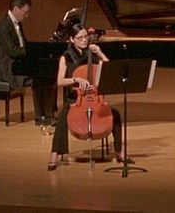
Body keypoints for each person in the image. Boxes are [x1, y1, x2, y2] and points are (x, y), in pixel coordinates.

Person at [47, 23, 131, 171]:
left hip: (95, 98)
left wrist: (100, 53)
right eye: (80, 38)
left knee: (115, 115)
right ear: (72, 39)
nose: (84, 40)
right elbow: (60, 81)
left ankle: (120, 152)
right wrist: (76, 79)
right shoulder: (66, 57)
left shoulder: (92, 53)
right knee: (61, 118)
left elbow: (110, 70)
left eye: (86, 36)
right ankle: (54, 156)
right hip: (76, 99)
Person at [0, 0, 56, 128]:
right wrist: (33, 50)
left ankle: (48, 115)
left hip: (17, 63)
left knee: (46, 75)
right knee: (38, 79)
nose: (26, 15)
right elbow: (12, 51)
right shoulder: (3, 26)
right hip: (7, 68)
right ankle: (41, 117)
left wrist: (35, 48)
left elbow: (24, 44)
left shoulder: (17, 24)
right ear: (16, 9)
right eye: (25, 12)